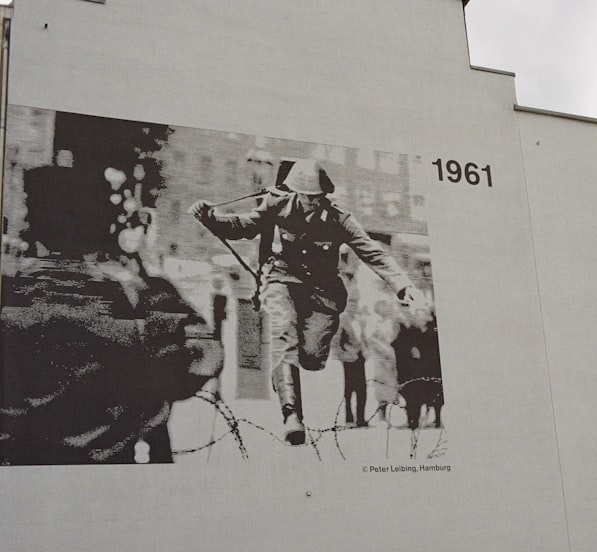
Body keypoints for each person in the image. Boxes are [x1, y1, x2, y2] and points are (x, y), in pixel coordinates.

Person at [1, 156, 223, 465]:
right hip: (113, 462)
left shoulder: (12, 291)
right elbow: (203, 355)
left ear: (35, 219)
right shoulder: (143, 295)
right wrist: (148, 400)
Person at [188, 158, 421, 445]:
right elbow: (244, 227)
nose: (311, 202)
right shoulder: (277, 205)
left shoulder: (338, 218)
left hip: (323, 294)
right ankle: (291, 416)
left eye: (317, 197)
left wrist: (403, 285)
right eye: (306, 196)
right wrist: (210, 217)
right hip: (282, 280)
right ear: (295, 192)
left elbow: (372, 252)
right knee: (282, 336)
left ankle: (301, 373)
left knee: (310, 358)